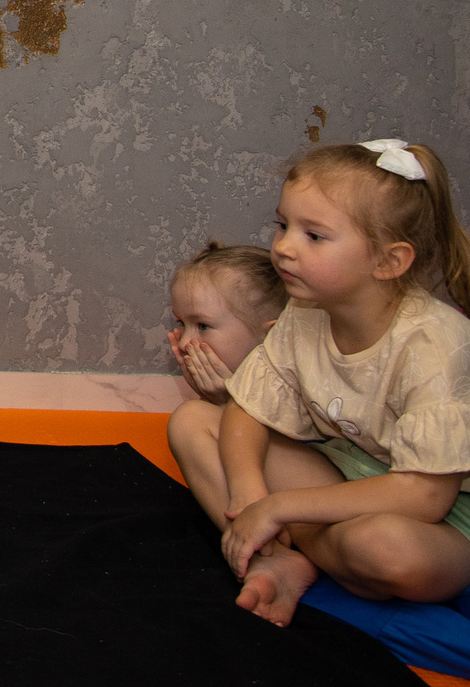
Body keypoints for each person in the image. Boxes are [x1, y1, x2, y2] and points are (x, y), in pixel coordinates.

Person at [168, 140, 470, 624]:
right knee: (192, 421)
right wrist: (248, 492)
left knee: (386, 550)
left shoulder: (434, 343)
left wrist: (280, 508)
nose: (284, 248)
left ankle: (312, 552)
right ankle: (281, 560)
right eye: (283, 226)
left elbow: (425, 496)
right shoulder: (304, 312)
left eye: (314, 236)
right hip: (345, 470)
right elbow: (248, 406)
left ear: (389, 261)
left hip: (442, 515)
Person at [165, 240, 286, 405]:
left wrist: (226, 402)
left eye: (202, 326)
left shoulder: (294, 399)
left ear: (271, 337)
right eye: (181, 323)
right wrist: (212, 399)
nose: (183, 343)